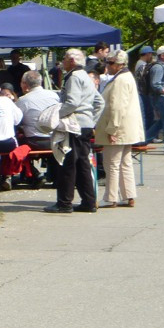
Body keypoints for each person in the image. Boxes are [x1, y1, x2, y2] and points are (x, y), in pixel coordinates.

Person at [44, 48, 104, 214]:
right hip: (84, 125)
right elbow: (100, 102)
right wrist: (91, 121)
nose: (62, 61)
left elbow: (72, 102)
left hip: (74, 125)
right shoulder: (85, 75)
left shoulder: (74, 77)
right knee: (83, 164)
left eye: (64, 58)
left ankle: (64, 203)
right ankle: (89, 201)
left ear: (71, 61)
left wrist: (57, 116)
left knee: (67, 163)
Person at [96, 50, 145, 208]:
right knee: (124, 162)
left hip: (119, 127)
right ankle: (128, 195)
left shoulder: (120, 80)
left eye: (110, 63)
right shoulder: (126, 76)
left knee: (112, 163)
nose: (107, 66)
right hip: (127, 128)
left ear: (119, 65)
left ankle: (111, 198)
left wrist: (112, 129)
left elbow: (117, 107)